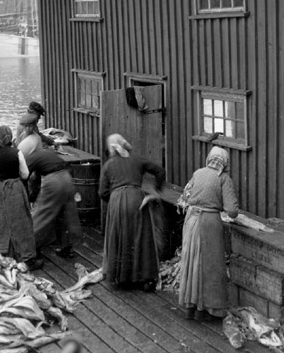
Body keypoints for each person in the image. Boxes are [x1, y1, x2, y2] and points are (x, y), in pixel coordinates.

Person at [177, 146, 239, 320]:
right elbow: (232, 210)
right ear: (225, 163)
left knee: (192, 262)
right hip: (209, 223)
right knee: (211, 266)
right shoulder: (224, 178)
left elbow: (186, 196)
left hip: (191, 221)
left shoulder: (198, 173)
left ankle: (191, 308)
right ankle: (210, 310)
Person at [99, 133, 166, 292]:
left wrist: (115, 201)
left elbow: (102, 192)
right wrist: (157, 189)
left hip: (116, 201)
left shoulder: (108, 165)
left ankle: (120, 278)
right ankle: (147, 278)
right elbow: (159, 171)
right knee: (141, 238)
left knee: (119, 237)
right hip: (137, 199)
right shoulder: (137, 160)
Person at [0, 125, 43, 270]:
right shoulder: (17, 153)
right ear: (10, 137)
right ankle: (27, 258)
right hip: (14, 188)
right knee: (20, 221)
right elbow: (25, 174)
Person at [24, 146, 82, 259]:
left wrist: (30, 198)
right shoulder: (47, 153)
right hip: (67, 178)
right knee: (67, 215)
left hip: (53, 181)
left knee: (42, 215)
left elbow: (26, 178)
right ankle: (67, 248)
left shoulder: (31, 158)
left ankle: (31, 252)